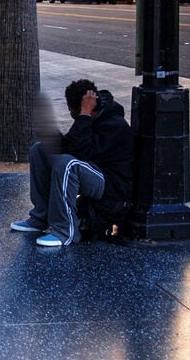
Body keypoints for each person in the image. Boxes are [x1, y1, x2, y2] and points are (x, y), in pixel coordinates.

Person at [11, 79, 134, 247]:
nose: (69, 112)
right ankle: (40, 218)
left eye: (70, 109)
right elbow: (72, 146)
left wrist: (83, 115)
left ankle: (65, 231)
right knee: (40, 150)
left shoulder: (114, 125)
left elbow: (81, 153)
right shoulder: (89, 118)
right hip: (93, 170)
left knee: (67, 165)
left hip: (112, 183)